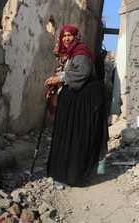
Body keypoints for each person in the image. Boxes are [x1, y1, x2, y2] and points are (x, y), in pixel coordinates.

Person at [44, 25, 107, 185]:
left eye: (69, 35)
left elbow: (82, 72)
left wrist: (60, 78)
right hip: (72, 100)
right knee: (66, 136)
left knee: (75, 136)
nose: (66, 39)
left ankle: (72, 175)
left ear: (76, 37)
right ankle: (61, 173)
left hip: (81, 102)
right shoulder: (69, 54)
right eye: (64, 35)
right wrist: (56, 84)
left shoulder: (81, 52)